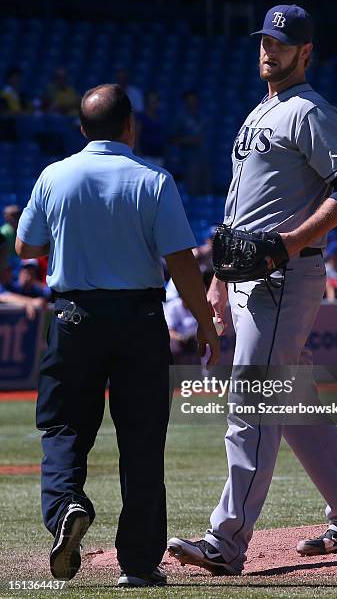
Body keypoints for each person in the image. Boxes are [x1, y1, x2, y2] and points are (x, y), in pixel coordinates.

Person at [168, 4, 337, 575]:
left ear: (304, 52)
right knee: (297, 406)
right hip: (249, 277)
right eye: (265, 40)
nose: (269, 50)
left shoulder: (312, 112)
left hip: (284, 277)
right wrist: (217, 278)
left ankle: (226, 540)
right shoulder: (263, 110)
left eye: (282, 43)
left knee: (253, 404)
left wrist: (289, 242)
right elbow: (243, 207)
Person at [15, 83, 220, 587]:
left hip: (73, 317)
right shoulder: (154, 179)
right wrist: (205, 319)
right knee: (142, 440)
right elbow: (180, 260)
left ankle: (68, 505)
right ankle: (139, 562)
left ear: (82, 129)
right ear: (132, 125)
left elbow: (24, 245)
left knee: (63, 429)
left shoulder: (54, 175)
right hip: (140, 321)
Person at [171, 90, 212, 195]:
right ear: (185, 102)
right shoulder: (179, 118)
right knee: (192, 190)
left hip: (204, 158)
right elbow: (172, 140)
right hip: (189, 159)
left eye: (194, 100)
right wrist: (190, 140)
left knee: (206, 190)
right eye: (189, 100)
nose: (192, 102)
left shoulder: (202, 116)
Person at [137, 91, 166, 166]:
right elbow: (137, 136)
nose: (153, 103)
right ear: (147, 102)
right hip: (145, 156)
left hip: (159, 156)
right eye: (151, 101)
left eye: (155, 100)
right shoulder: (141, 117)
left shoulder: (161, 117)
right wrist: (139, 155)